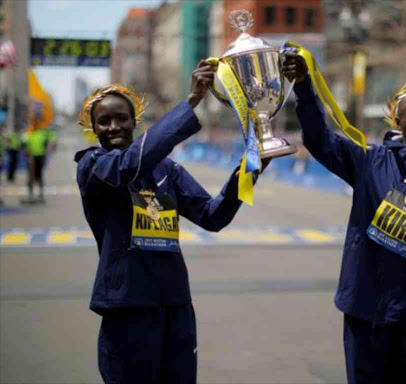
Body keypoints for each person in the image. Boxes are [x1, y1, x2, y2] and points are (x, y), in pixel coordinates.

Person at [282, 52, 406, 384]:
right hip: (364, 318)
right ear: (397, 120)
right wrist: (303, 86)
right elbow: (318, 140)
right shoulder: (369, 162)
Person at [74, 60, 267, 384]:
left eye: (121, 118)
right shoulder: (93, 166)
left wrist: (250, 169)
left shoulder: (166, 170)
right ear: (94, 129)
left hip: (174, 306)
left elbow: (212, 215)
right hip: (128, 309)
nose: (113, 127)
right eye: (103, 121)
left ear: (134, 122)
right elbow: (127, 165)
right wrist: (190, 102)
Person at [20, 127, 55, 203]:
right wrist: (26, 153)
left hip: (40, 157)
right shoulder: (27, 135)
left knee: (39, 176)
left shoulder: (41, 135)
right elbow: (23, 146)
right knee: (30, 177)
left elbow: (47, 144)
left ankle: (41, 194)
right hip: (31, 157)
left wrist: (46, 152)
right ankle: (30, 194)